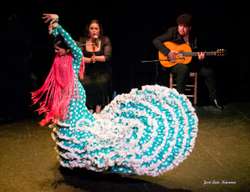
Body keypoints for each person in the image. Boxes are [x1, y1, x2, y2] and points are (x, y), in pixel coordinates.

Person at [32, 13, 198, 177]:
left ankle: (89, 158)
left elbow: (74, 46)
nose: (56, 51)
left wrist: (59, 25)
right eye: (55, 49)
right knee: (69, 125)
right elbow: (56, 48)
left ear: (66, 49)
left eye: (58, 49)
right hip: (66, 96)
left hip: (75, 94)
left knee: (82, 129)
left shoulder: (74, 57)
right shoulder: (58, 58)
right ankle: (77, 160)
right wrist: (53, 30)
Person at [153, 13, 223, 110]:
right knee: (183, 68)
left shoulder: (195, 37)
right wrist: (168, 52)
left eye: (185, 27)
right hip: (174, 63)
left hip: (191, 63)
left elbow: (196, 54)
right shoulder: (172, 32)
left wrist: (201, 58)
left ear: (190, 28)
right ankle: (178, 101)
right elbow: (156, 41)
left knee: (209, 72)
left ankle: (215, 100)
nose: (181, 29)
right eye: (180, 26)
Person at [79, 19, 112, 113]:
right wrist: (89, 60)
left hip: (102, 70)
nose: (94, 30)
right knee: (85, 82)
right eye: (92, 28)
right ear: (88, 30)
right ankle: (89, 108)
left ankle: (98, 108)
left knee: (100, 82)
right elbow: (79, 57)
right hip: (88, 71)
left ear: (99, 30)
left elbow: (107, 57)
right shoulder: (83, 40)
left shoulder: (105, 40)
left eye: (96, 28)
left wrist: (96, 58)